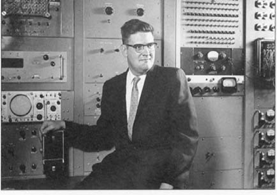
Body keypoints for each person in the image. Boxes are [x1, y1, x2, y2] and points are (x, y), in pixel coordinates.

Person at [40, 19, 199, 189]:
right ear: (124, 50)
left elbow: (187, 138)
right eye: (139, 47)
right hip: (120, 168)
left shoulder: (171, 79)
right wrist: (65, 126)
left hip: (157, 173)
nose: (147, 52)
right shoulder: (113, 86)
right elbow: (103, 136)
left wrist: (170, 182)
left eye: (150, 45)